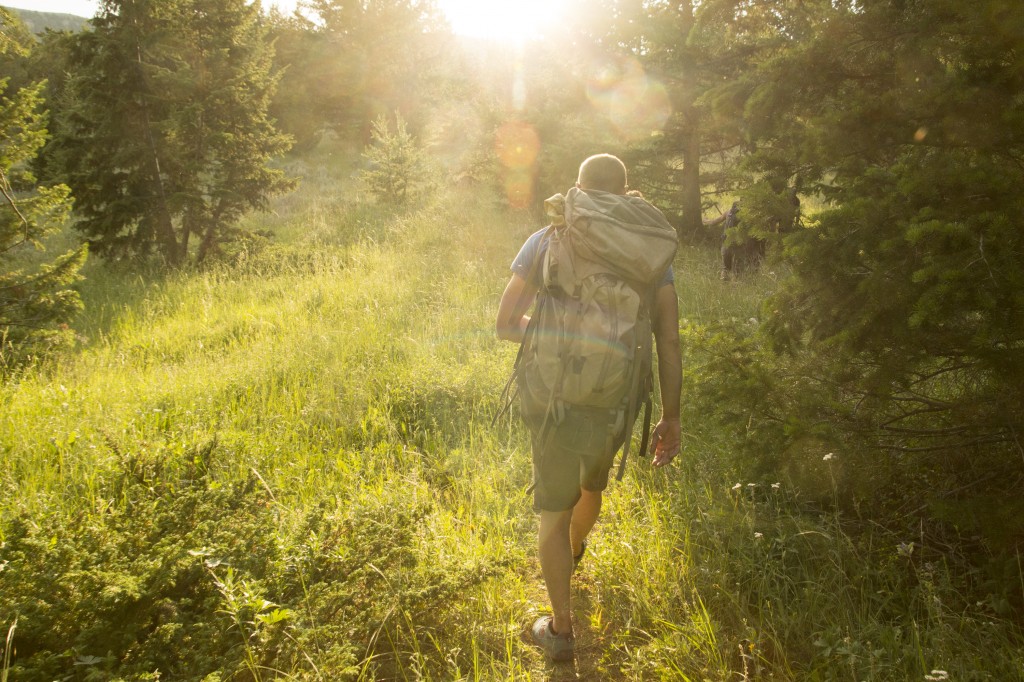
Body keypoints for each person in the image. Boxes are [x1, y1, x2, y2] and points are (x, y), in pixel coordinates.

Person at [495, 153, 682, 661]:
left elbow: (505, 323)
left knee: (551, 514)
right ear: (625, 193)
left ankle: (560, 628)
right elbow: (668, 339)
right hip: (618, 401)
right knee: (590, 487)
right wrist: (672, 415)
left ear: (578, 190)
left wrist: (556, 338)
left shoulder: (547, 239)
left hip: (551, 398)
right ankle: (575, 553)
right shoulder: (651, 255)